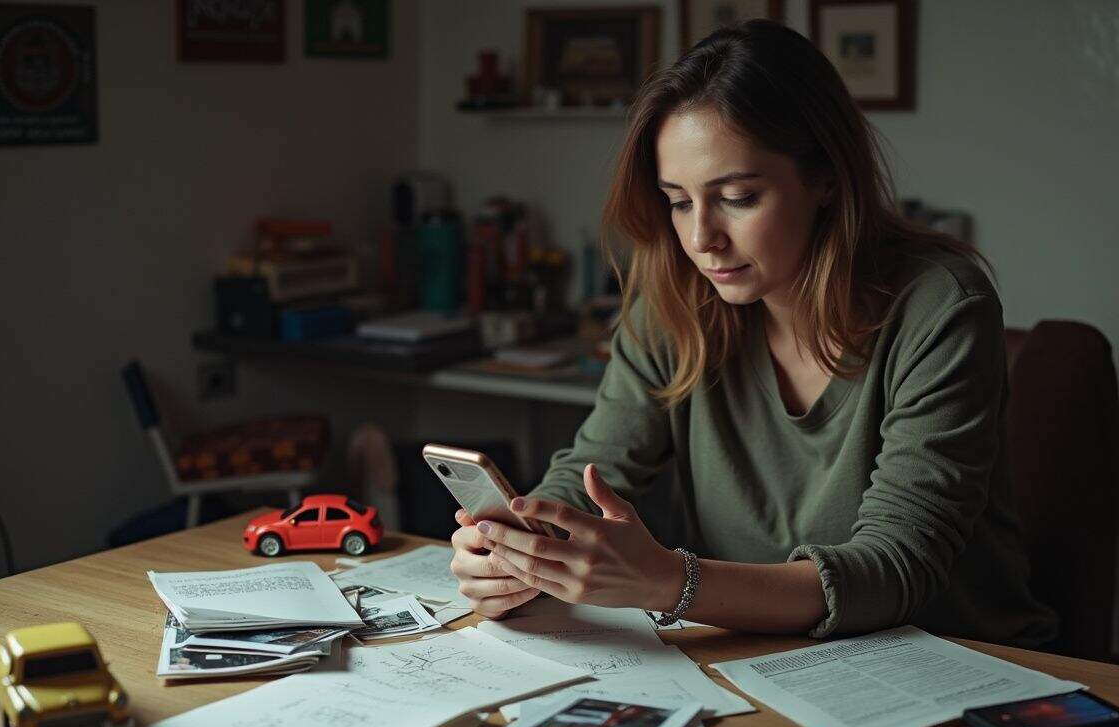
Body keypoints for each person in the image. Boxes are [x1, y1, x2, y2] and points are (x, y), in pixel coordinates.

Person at [449, 20, 1057, 645]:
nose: (700, 239)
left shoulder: (941, 306)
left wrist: (668, 581)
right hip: (756, 657)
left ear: (825, 179)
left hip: (955, 664)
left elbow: (897, 568)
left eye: (737, 197)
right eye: (679, 202)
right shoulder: (673, 302)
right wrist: (515, 548)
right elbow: (593, 470)